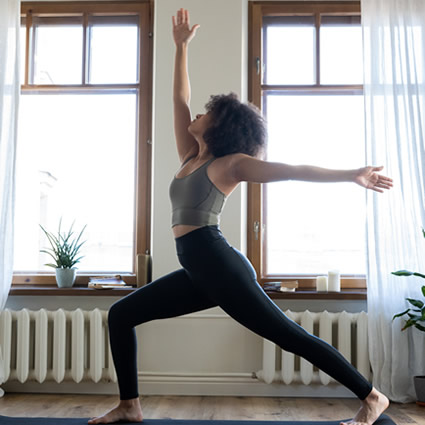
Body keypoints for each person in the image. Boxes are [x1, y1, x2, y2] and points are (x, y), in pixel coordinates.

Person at [88, 9, 392, 425]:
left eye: (208, 111)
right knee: (121, 314)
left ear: (222, 126)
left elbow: (292, 170)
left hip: (219, 265)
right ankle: (130, 405)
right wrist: (180, 47)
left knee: (288, 335)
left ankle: (372, 397)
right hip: (198, 268)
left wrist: (351, 174)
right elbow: (178, 99)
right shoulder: (191, 155)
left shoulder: (232, 165)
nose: (198, 112)